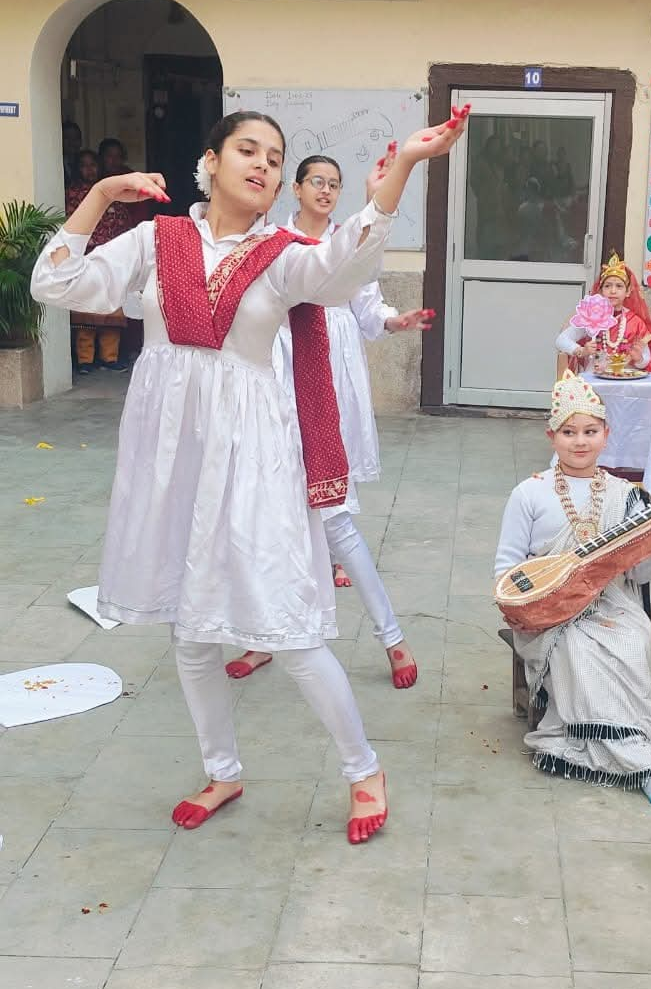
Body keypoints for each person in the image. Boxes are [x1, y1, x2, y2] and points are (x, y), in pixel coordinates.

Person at [32, 107, 467, 839]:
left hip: (255, 459)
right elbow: (58, 283)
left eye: (274, 156)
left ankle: (364, 769)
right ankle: (222, 773)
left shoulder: (286, 254)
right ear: (212, 159)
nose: (262, 165)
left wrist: (404, 169)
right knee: (192, 633)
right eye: (247, 150)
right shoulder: (155, 239)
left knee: (289, 628)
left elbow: (345, 268)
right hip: (173, 459)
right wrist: (104, 194)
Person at [224, 149, 433, 689]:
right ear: (295, 187)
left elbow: (368, 307)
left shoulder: (347, 243)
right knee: (264, 522)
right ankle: (261, 636)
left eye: (334, 184)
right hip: (272, 387)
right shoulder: (269, 244)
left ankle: (393, 638)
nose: (324, 190)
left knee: (335, 518)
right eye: (316, 181)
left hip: (326, 386)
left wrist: (393, 319)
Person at [494, 371, 651, 803]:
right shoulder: (529, 494)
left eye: (590, 431)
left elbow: (640, 573)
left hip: (613, 603)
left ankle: (615, 745)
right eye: (569, 432)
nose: (580, 441)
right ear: (551, 435)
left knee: (635, 636)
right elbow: (506, 568)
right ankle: (643, 764)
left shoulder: (625, 495)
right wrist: (537, 600)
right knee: (577, 646)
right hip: (551, 614)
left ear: (607, 434)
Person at [556, 252, 651, 409]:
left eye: (619, 286)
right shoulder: (590, 316)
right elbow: (561, 340)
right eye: (607, 286)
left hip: (627, 380)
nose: (613, 291)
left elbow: (646, 359)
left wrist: (639, 359)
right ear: (600, 290)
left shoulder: (635, 322)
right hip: (594, 380)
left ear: (628, 291)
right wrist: (581, 351)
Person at [65, 148, 133, 374]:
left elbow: (125, 226)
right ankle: (86, 360)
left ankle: (109, 357)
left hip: (112, 259)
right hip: (84, 258)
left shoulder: (111, 192)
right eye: (84, 165)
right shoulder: (72, 194)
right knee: (86, 311)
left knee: (110, 309)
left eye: (92, 164)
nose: (89, 169)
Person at [62, 119, 82, 185]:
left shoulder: (85, 162)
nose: (72, 142)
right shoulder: (54, 163)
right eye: (67, 138)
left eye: (75, 138)